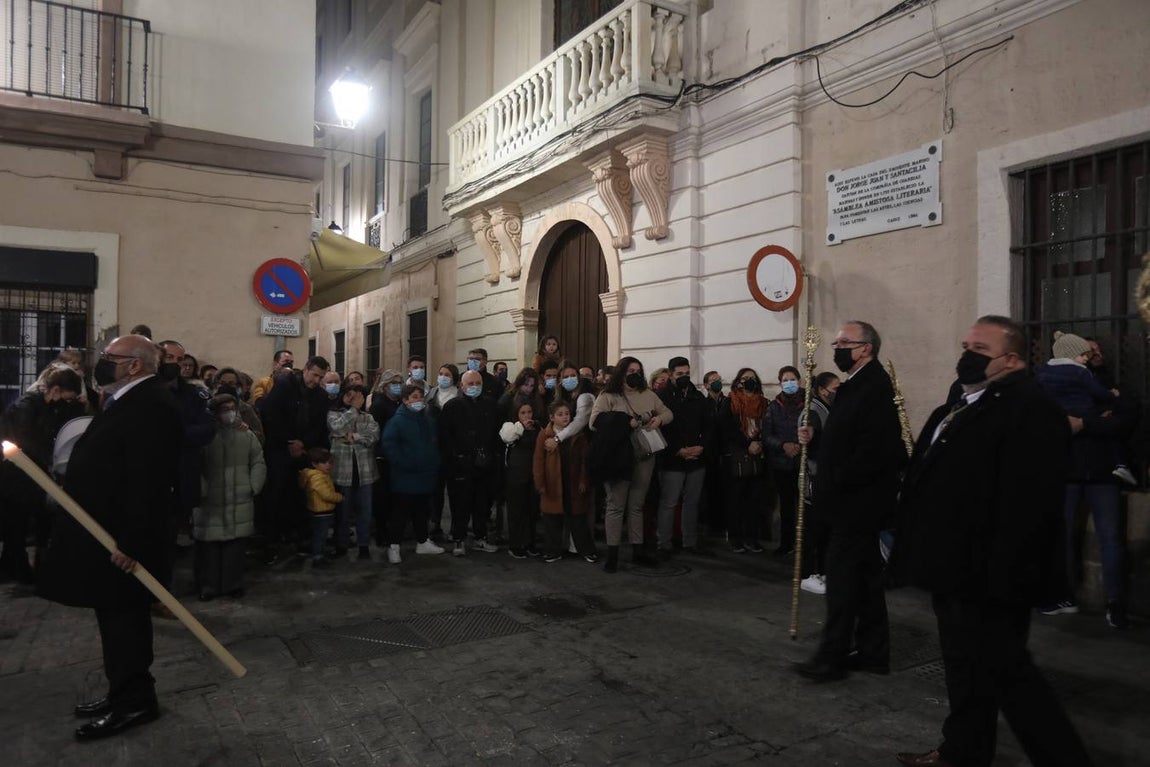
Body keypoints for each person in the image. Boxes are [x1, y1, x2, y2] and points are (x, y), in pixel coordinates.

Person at [893, 316, 1093, 767]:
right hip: (953, 568)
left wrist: (1003, 576)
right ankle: (963, 751)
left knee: (1010, 677)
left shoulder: (1029, 408)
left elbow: (1028, 505)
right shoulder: (964, 402)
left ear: (1012, 359)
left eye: (980, 348)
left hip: (990, 575)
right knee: (965, 672)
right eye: (966, 344)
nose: (967, 353)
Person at [37, 334, 182, 740]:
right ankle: (124, 690)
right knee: (113, 618)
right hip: (105, 532)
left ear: (134, 365)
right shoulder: (124, 400)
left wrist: (132, 543)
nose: (102, 362)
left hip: (122, 539)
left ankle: (134, 700)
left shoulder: (152, 406)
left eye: (109, 357)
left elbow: (148, 482)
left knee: (125, 621)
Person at [796, 321, 906, 682]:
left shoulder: (872, 386)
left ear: (865, 349)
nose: (837, 346)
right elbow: (848, 435)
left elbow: (874, 449)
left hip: (856, 504)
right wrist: (818, 434)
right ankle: (874, 652)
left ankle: (831, 656)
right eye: (837, 341)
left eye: (845, 342)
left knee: (842, 581)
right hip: (854, 502)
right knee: (866, 580)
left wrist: (839, 484)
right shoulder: (856, 385)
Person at [0, 366, 85, 582]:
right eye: (67, 398)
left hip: (31, 474)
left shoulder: (46, 406)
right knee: (15, 524)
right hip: (15, 475)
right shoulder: (26, 407)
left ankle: (19, 567)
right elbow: (27, 441)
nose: (67, 404)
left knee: (25, 522)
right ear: (55, 390)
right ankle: (15, 568)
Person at [590, 356, 673, 572]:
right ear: (621, 373)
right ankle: (613, 554)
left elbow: (667, 412)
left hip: (644, 454)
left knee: (636, 505)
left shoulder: (648, 394)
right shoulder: (609, 395)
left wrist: (659, 420)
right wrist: (624, 422)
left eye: (638, 370)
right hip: (618, 456)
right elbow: (594, 422)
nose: (634, 374)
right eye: (630, 371)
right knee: (615, 506)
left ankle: (638, 551)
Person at [1036, 331, 1134, 487]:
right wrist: (1110, 396)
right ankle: (1121, 465)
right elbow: (1098, 393)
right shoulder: (1081, 373)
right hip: (1072, 462)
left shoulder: (1044, 372)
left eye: (1096, 351)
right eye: (1087, 353)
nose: (1091, 357)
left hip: (1091, 465)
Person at [259, 356, 331, 559]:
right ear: (306, 369)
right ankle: (270, 542)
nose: (316, 381)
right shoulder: (284, 386)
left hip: (303, 452)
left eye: (321, 377)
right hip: (279, 450)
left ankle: (297, 538)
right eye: (315, 375)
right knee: (275, 495)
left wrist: (303, 444)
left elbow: (318, 425)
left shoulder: (320, 396)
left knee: (298, 496)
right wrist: (288, 441)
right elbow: (270, 415)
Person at [195, 394, 265, 600]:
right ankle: (208, 585)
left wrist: (254, 485)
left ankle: (233, 584)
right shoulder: (205, 436)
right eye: (225, 409)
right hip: (211, 499)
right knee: (210, 546)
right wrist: (201, 489)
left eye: (233, 408)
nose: (230, 412)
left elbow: (258, 461)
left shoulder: (246, 435)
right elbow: (195, 465)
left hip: (239, 496)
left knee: (235, 546)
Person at [439, 370, 502, 554]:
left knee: (482, 504)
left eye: (478, 383)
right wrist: (455, 458)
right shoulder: (452, 406)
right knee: (461, 504)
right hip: (460, 465)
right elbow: (445, 436)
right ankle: (458, 539)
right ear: (462, 385)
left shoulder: (491, 405)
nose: (474, 387)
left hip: (484, 465)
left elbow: (496, 433)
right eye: (470, 383)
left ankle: (480, 537)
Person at [380, 385, 445, 562]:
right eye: (414, 397)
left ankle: (422, 542)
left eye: (420, 397)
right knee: (400, 513)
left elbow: (433, 443)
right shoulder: (397, 421)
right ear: (405, 400)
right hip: (405, 475)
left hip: (425, 475)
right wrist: (405, 462)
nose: (418, 401)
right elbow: (389, 445)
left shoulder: (427, 420)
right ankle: (394, 546)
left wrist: (434, 462)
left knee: (421, 512)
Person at [655, 357, 710, 555]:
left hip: (696, 458)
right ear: (670, 375)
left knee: (692, 502)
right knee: (669, 502)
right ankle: (664, 543)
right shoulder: (661, 397)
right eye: (679, 374)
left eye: (687, 374)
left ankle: (689, 542)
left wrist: (701, 446)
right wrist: (677, 449)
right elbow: (660, 429)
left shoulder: (697, 397)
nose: (684, 377)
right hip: (672, 459)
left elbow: (709, 425)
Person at [534, 401, 597, 563]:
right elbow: (538, 460)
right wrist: (540, 483)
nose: (565, 417)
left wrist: (584, 480)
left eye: (567, 414)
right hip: (553, 483)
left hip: (573, 483)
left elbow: (585, 460)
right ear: (552, 417)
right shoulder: (545, 434)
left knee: (578, 519)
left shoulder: (578, 434)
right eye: (560, 414)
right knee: (552, 520)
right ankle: (553, 551)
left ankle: (586, 550)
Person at [720, 368, 770, 553]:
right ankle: (735, 537)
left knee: (754, 500)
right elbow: (727, 429)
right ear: (738, 382)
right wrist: (747, 443)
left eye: (752, 378)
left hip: (758, 454)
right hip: (737, 456)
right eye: (744, 378)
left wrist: (759, 442)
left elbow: (768, 425)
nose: (748, 381)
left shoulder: (763, 403)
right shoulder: (730, 402)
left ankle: (752, 537)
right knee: (736, 500)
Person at [328, 384, 380, 561]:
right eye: (349, 395)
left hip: (365, 471)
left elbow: (373, 437)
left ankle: (363, 545)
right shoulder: (334, 414)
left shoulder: (368, 417)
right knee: (343, 511)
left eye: (357, 396)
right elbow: (337, 428)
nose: (352, 398)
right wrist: (353, 410)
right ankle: (341, 544)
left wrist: (354, 437)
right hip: (343, 471)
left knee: (365, 510)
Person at [799, 371, 840, 595]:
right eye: (835, 388)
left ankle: (823, 571)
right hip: (814, 478)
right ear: (822, 390)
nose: (837, 392)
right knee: (812, 531)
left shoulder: (829, 408)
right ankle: (807, 574)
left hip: (828, 477)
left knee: (825, 530)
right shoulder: (813, 410)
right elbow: (809, 428)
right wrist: (807, 433)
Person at [763, 365, 805, 557]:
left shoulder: (807, 402)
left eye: (792, 379)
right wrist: (783, 446)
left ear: (799, 380)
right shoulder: (774, 406)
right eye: (785, 380)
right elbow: (767, 434)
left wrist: (798, 446)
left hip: (803, 462)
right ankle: (786, 543)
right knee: (786, 506)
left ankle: (806, 544)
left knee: (805, 506)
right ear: (780, 383)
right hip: (781, 463)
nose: (789, 383)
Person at [500, 402, 541, 559]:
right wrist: (521, 426)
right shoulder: (511, 427)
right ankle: (515, 544)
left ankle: (530, 543)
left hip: (533, 474)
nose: (527, 416)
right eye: (523, 412)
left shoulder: (538, 428)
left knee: (532, 511)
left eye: (529, 412)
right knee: (516, 511)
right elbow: (508, 438)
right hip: (516, 476)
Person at [368, 369, 404, 550]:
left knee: (395, 497)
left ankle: (394, 530)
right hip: (383, 456)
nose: (398, 386)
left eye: (400, 382)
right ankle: (380, 531)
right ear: (385, 385)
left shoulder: (399, 403)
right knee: (382, 497)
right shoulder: (379, 404)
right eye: (394, 383)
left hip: (398, 456)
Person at [426, 364, 461, 541]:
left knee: (454, 490)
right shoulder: (432, 393)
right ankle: (435, 523)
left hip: (453, 448)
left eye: (447, 374)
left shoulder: (459, 396)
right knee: (436, 489)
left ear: (454, 378)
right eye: (440, 374)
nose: (442, 377)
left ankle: (455, 525)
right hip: (435, 448)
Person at [299, 448, 343, 569]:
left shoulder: (314, 475)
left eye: (329, 462)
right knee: (321, 535)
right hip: (322, 512)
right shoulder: (318, 478)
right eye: (324, 462)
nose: (328, 465)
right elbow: (326, 494)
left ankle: (318, 554)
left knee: (318, 534)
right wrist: (339, 497)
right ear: (314, 464)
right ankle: (318, 557)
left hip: (316, 510)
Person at [700, 370, 727, 539]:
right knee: (709, 492)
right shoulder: (704, 404)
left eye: (719, 379)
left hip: (725, 451)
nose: (717, 382)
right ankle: (710, 526)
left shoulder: (728, 402)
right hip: (710, 454)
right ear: (706, 385)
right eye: (713, 380)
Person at [211, 367, 264, 446]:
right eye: (222, 383)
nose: (226, 387)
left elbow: (261, 439)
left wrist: (247, 431)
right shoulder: (209, 407)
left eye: (231, 383)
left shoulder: (246, 409)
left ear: (238, 387)